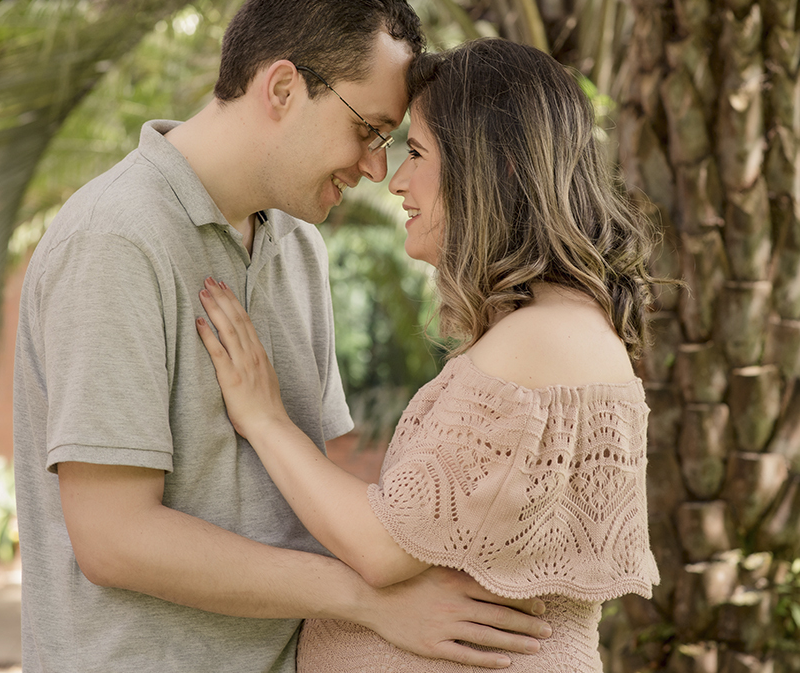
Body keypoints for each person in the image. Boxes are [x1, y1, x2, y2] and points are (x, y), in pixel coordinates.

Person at [13, 0, 552, 673]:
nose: (374, 169)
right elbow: (115, 539)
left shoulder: (298, 244)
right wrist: (365, 599)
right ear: (283, 88)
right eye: (368, 129)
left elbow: (307, 501)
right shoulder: (116, 240)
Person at [196, 37, 663, 671]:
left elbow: (380, 547)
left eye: (415, 152)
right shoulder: (549, 330)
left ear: (488, 168)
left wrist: (264, 418)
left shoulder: (542, 341)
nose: (396, 181)